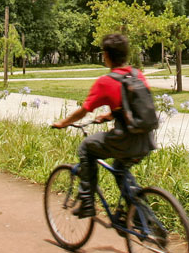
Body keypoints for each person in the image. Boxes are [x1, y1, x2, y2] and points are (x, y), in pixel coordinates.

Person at [51, 33, 156, 217]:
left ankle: (87, 202)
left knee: (86, 147)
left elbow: (84, 111)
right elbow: (134, 108)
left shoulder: (106, 82)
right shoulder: (137, 75)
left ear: (106, 55)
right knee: (120, 168)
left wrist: (63, 122)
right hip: (146, 140)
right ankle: (140, 217)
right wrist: (110, 115)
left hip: (125, 140)